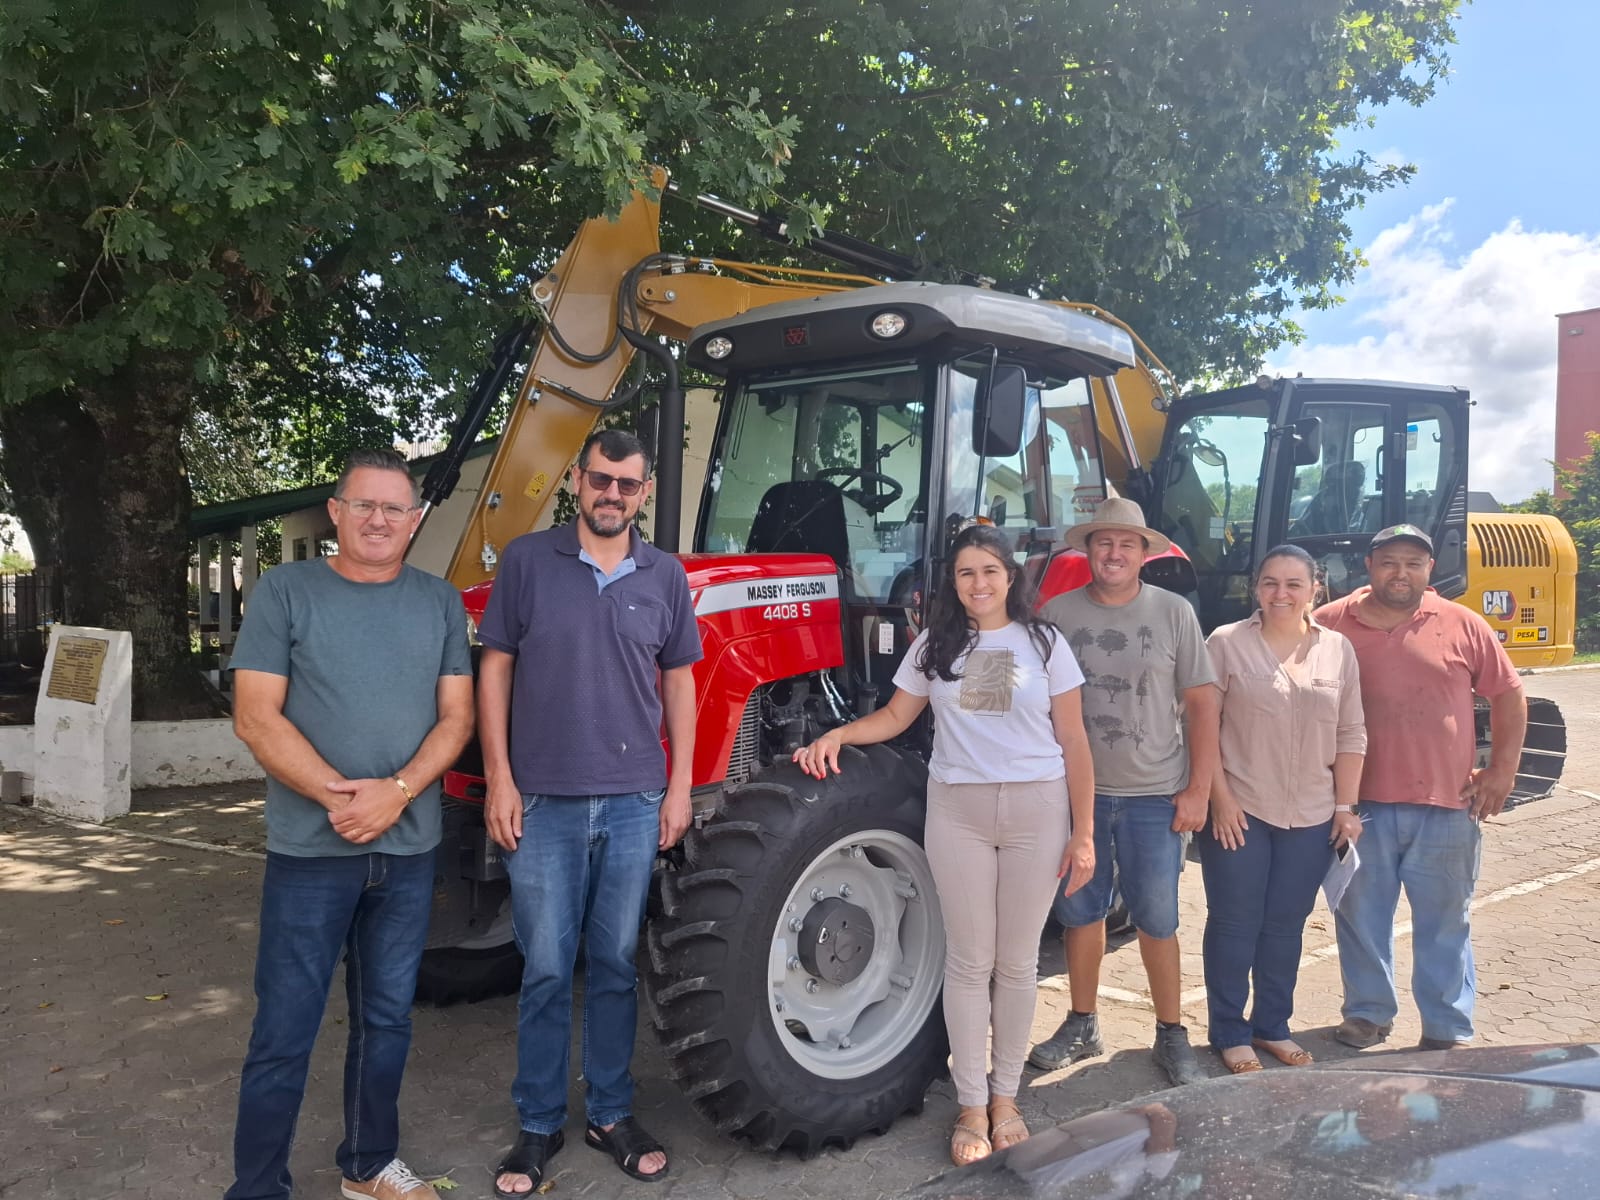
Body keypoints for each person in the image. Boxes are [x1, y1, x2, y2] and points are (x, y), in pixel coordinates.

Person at [793, 522, 1096, 1168]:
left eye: (989, 570)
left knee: (1015, 964)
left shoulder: (1045, 644)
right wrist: (841, 736)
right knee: (967, 961)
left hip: (1036, 813)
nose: (978, 583)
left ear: (1010, 577)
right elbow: (898, 717)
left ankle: (1007, 1098)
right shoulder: (936, 645)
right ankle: (970, 1104)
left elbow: (1075, 743)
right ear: (952, 584)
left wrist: (1085, 832)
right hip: (957, 811)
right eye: (965, 573)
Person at [225, 449, 475, 1200]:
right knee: (283, 1034)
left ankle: (367, 1166)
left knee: (388, 1021)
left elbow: (457, 718)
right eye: (363, 505)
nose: (379, 520)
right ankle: (258, 1186)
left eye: (394, 509)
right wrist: (344, 800)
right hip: (310, 855)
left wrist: (395, 793)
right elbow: (254, 717)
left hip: (407, 852)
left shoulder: (438, 601)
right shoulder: (286, 592)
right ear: (335, 512)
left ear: (414, 520)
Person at [478, 429, 701, 1194]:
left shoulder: (663, 574)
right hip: (541, 799)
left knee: (612, 964)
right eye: (601, 480)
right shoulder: (527, 563)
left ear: (644, 493)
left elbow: (680, 683)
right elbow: (495, 669)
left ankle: (610, 1111)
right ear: (577, 480)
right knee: (544, 969)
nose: (613, 494)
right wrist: (500, 779)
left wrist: (678, 788)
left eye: (628, 484)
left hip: (637, 800)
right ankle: (538, 1124)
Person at [1028, 497, 1220, 1087]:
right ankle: (1082, 1023)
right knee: (1081, 914)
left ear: (1144, 554)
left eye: (1126, 544)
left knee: (1158, 918)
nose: (1114, 553)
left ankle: (1171, 1033)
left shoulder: (1173, 614)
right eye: (1104, 542)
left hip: (1154, 795)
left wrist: (1198, 790)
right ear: (1088, 550)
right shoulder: (1055, 615)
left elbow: (1202, 702)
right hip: (1076, 798)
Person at [1315, 524, 1527, 1051]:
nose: (1400, 573)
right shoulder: (1330, 622)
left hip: (1448, 806)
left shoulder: (1461, 623)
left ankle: (1447, 1026)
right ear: (1369, 566)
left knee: (1445, 922)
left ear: (1430, 570)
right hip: (1359, 809)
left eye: (1413, 562)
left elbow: (1508, 694)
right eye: (1389, 562)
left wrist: (1502, 770)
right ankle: (1367, 1014)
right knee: (1360, 918)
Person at [1200, 544, 1366, 1073]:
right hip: (1240, 810)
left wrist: (1345, 806)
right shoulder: (1226, 643)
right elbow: (1200, 728)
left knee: (1285, 926)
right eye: (1270, 582)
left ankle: (1272, 1025)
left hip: (1313, 814)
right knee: (1234, 923)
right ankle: (1228, 1031)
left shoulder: (1338, 649)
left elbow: (1351, 731)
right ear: (1256, 588)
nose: (1281, 593)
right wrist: (1219, 801)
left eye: (1294, 583)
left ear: (1315, 587)